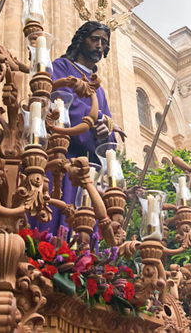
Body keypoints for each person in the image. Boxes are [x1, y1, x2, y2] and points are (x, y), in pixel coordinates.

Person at [35, 21, 124, 232]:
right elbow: (61, 101)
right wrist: (96, 119)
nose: (100, 45)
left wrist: (105, 134)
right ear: (81, 39)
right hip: (60, 155)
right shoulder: (61, 67)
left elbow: (108, 129)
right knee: (53, 215)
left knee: (82, 226)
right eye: (95, 39)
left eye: (104, 41)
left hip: (85, 168)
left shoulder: (98, 89)